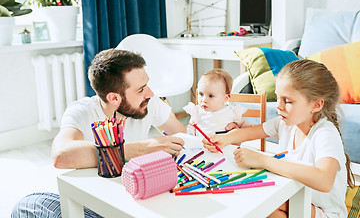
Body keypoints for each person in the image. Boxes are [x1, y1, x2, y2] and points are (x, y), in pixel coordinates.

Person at [12, 49, 187, 217]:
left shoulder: (148, 102)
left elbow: (184, 138)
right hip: (96, 199)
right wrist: (140, 148)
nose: (150, 93)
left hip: (139, 195)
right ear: (114, 98)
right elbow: (61, 155)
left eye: (146, 84)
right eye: (141, 89)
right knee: (27, 205)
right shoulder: (82, 111)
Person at [203, 60, 354, 218]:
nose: (278, 106)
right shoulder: (286, 123)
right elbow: (250, 133)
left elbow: (324, 180)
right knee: (262, 202)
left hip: (324, 212)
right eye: (277, 98)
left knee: (265, 205)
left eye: (287, 101)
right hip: (298, 197)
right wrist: (225, 138)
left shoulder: (325, 134)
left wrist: (264, 160)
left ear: (316, 105)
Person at [184, 68, 252, 137]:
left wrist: (251, 127)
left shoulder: (232, 112)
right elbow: (191, 126)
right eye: (201, 94)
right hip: (202, 146)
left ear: (226, 98)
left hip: (224, 146)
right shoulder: (196, 111)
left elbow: (243, 124)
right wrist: (191, 131)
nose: (204, 99)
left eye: (210, 96)